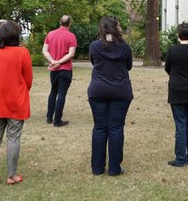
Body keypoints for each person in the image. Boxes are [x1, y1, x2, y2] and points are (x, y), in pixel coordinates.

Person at [0, 21, 33, 185]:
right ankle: (12, 175)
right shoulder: (22, 52)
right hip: (16, 101)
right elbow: (28, 80)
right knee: (13, 138)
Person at [87, 16, 133, 176]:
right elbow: (128, 66)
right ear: (116, 28)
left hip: (98, 90)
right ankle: (114, 168)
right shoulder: (124, 48)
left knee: (100, 127)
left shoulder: (94, 46)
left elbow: (94, 62)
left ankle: (98, 168)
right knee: (116, 128)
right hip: (120, 90)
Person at [164, 21, 188, 166]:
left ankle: (181, 158)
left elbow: (167, 68)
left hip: (177, 90)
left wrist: (176, 76)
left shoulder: (173, 50)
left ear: (177, 34)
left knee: (180, 124)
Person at [42, 15, 78, 127]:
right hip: (65, 69)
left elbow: (44, 50)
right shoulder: (71, 36)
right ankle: (57, 120)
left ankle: (49, 117)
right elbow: (71, 54)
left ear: (60, 22)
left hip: (54, 69)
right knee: (61, 94)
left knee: (53, 91)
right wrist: (59, 62)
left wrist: (53, 61)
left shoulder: (50, 34)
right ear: (70, 23)